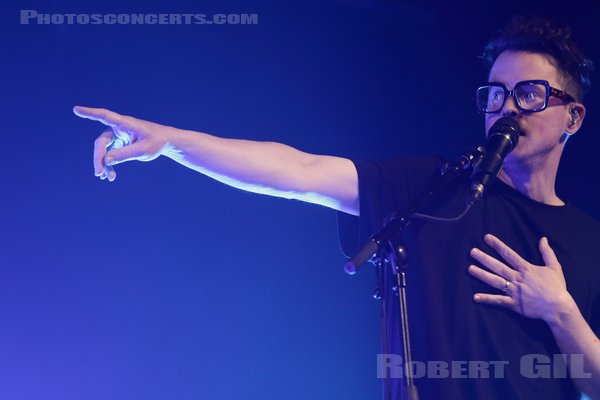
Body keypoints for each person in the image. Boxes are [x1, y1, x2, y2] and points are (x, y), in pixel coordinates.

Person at [74, 16, 600, 400]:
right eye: (496, 94)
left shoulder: (588, 242)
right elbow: (296, 171)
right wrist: (170, 142)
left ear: (572, 117)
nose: (507, 107)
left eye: (530, 94)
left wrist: (561, 310)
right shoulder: (434, 188)